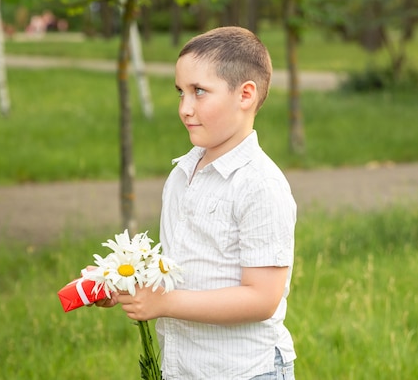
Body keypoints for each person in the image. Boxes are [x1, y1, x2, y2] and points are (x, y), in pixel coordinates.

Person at [97, 26, 297, 379]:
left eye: (199, 92)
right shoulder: (183, 173)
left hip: (243, 371)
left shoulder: (260, 185)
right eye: (180, 93)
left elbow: (262, 298)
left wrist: (163, 304)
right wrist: (124, 282)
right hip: (184, 368)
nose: (185, 108)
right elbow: (182, 264)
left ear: (245, 94)